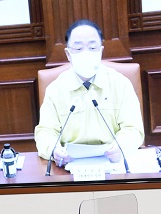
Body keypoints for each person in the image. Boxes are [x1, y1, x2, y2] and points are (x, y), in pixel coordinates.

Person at [34, 19, 144, 166]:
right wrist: (54, 150)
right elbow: (45, 132)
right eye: (78, 49)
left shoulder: (120, 83)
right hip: (69, 166)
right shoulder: (55, 89)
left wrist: (121, 146)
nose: (85, 53)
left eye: (92, 48)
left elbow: (133, 129)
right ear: (68, 54)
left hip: (113, 164)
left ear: (101, 51)